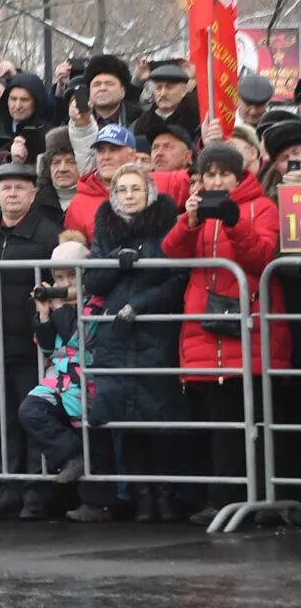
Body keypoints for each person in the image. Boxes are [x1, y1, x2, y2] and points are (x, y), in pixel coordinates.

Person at [162, 142, 285, 523]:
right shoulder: (197, 209)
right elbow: (172, 253)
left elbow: (262, 256)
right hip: (207, 329)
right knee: (219, 423)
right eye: (209, 174)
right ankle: (221, 498)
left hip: (250, 326)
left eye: (223, 174)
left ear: (239, 175)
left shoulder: (261, 206)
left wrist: (234, 222)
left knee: (254, 422)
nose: (216, 181)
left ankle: (259, 500)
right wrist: (189, 221)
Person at [85, 167, 187, 523]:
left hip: (155, 332)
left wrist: (141, 305)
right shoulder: (106, 228)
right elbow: (93, 280)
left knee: (158, 418)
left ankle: (166, 495)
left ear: (150, 192)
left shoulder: (168, 225)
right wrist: (117, 261)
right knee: (125, 419)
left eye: (135, 188)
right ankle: (142, 497)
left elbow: (178, 278)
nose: (129, 195)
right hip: (117, 334)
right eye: (122, 189)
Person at [0, 161, 62, 519]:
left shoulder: (48, 235)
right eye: (5, 188)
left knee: (34, 418)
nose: (13, 194)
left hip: (34, 348)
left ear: (33, 194)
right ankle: (9, 488)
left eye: (20, 187)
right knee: (0, 421)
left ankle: (38, 490)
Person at [17, 241, 102, 518]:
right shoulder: (57, 307)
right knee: (30, 409)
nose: (64, 284)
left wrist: (60, 307)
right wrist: (43, 313)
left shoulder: (95, 304)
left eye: (71, 276)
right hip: (60, 381)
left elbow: (73, 337)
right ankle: (73, 456)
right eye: (59, 277)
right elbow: (45, 344)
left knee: (92, 432)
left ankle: (96, 502)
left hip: (89, 380)